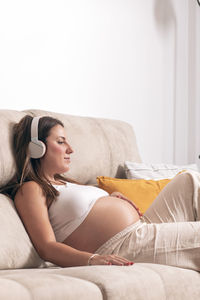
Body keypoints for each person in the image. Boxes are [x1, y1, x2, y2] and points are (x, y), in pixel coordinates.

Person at [2, 115, 200, 271]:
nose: (70, 149)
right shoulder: (31, 189)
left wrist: (109, 198)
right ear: (37, 148)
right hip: (124, 244)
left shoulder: (65, 183)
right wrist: (92, 259)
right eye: (61, 142)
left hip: (143, 225)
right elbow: (46, 247)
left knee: (189, 180)